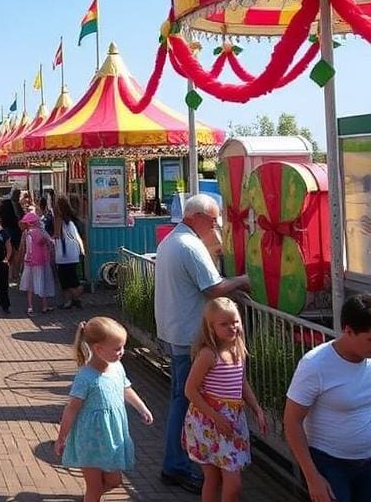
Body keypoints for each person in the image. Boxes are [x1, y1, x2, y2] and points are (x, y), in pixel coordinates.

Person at [154, 193, 250, 494]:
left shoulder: (172, 241)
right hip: (188, 336)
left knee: (180, 399)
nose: (216, 224)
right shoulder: (190, 245)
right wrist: (245, 279)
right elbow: (214, 288)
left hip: (174, 331)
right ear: (195, 217)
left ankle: (182, 462)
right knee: (185, 400)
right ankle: (177, 465)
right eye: (212, 219)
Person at [55, 316, 153, 502]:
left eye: (123, 346)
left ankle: (90, 497)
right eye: (117, 348)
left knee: (114, 481)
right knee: (95, 487)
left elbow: (126, 388)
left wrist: (142, 408)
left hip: (112, 436)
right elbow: (72, 409)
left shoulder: (117, 367)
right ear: (98, 349)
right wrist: (62, 437)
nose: (122, 352)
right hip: (90, 439)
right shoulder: (85, 376)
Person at [284, 293, 371, 502]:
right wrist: (312, 477)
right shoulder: (315, 365)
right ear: (348, 331)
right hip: (329, 466)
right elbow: (292, 421)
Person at [184, 298, 265, 502]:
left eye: (235, 322)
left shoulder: (238, 351)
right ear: (211, 327)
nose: (232, 327)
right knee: (213, 478)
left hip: (232, 421)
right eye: (224, 324)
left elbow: (241, 383)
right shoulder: (208, 355)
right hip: (210, 421)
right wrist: (216, 417)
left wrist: (256, 408)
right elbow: (190, 390)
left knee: (232, 482)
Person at [19, 211, 54, 314]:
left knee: (30, 284)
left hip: (29, 261)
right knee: (42, 281)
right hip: (41, 260)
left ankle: (30, 306)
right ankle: (44, 306)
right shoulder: (42, 232)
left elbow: (24, 248)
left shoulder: (26, 233)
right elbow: (50, 242)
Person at [54, 197, 85, 310]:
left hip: (63, 253)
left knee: (64, 279)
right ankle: (72, 301)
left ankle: (75, 297)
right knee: (72, 277)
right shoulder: (72, 220)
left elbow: (56, 235)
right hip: (73, 252)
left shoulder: (59, 219)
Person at [0, 189, 24, 282]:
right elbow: (20, 217)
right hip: (12, 231)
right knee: (12, 253)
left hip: (12, 231)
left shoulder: (13, 205)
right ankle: (12, 273)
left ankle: (12, 273)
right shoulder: (11, 204)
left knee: (12, 253)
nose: (18, 196)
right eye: (18, 194)